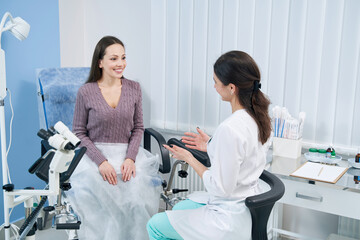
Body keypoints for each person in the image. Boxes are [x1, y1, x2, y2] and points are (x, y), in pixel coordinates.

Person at [147, 51, 272, 240]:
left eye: (216, 81)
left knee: (155, 225)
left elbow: (220, 188)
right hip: (245, 207)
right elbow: (243, 154)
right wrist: (211, 145)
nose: (214, 86)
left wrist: (189, 158)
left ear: (231, 88)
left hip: (226, 218)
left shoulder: (229, 129)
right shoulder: (259, 119)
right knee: (180, 207)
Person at [67, 36, 161, 240]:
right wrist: (101, 162)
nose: (120, 64)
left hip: (126, 154)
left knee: (136, 198)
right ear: (100, 62)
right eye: (114, 59)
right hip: (94, 157)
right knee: (98, 197)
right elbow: (79, 132)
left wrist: (130, 158)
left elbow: (138, 128)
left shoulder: (134, 89)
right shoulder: (86, 91)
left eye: (123, 58)